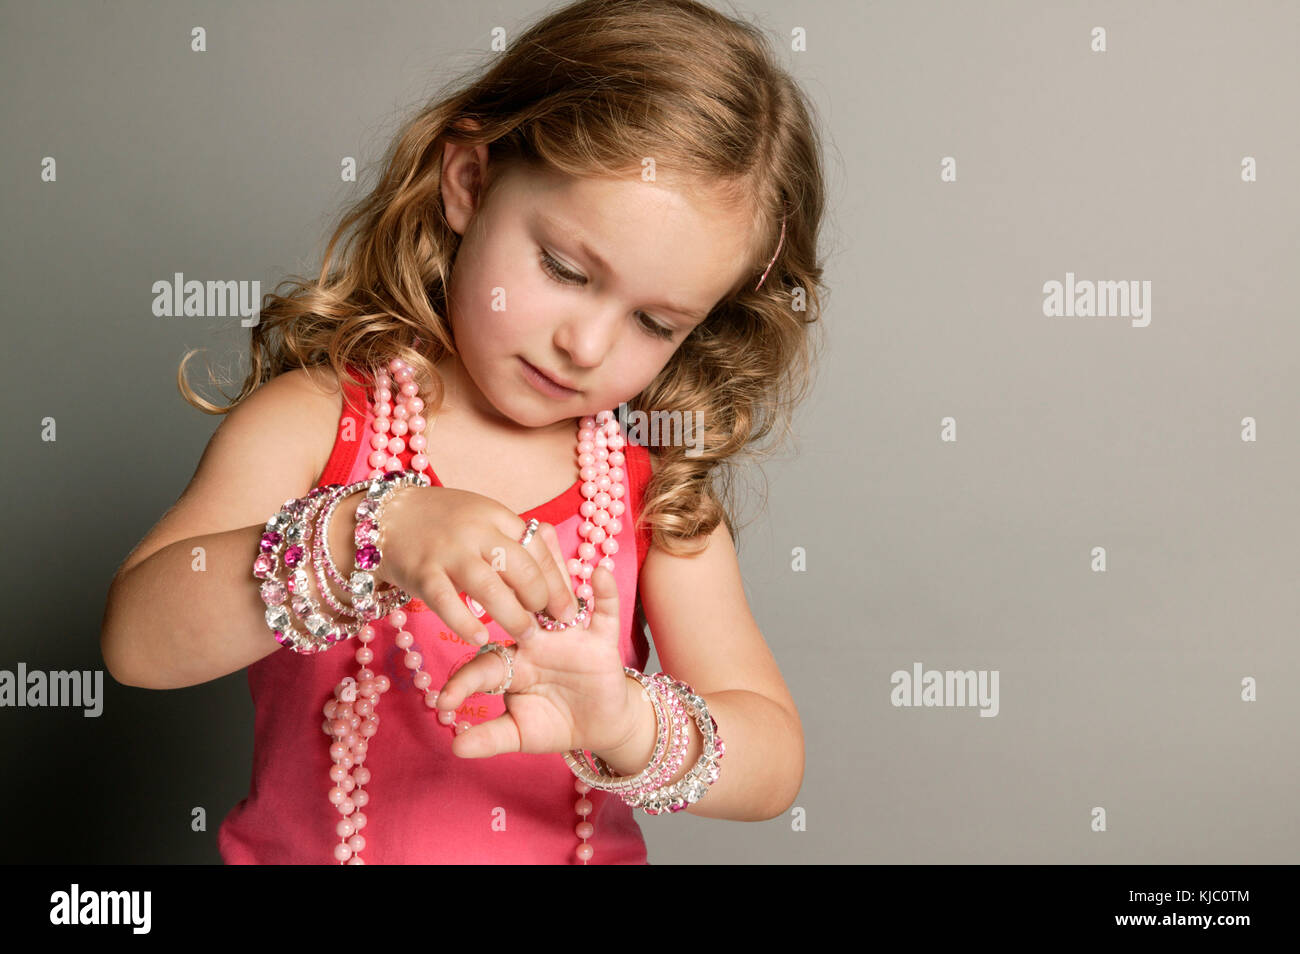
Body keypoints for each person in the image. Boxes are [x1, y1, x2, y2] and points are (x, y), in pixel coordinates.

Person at [100, 0, 827, 864]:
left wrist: (630, 723)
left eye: (655, 324)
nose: (585, 345)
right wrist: (363, 535)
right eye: (564, 268)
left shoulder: (652, 495)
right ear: (469, 182)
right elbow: (137, 642)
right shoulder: (315, 426)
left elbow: (773, 759)